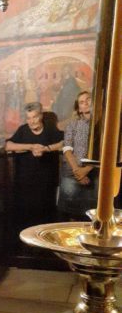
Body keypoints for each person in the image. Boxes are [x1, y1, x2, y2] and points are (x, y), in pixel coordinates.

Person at [6, 101, 63, 234]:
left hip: (46, 182)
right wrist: (31, 146)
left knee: (45, 217)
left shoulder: (50, 129)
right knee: (25, 217)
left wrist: (46, 149)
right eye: (29, 118)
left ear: (41, 116)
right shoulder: (23, 130)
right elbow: (8, 145)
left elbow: (64, 142)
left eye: (35, 117)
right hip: (25, 182)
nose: (31, 121)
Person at [57, 91, 98, 220]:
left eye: (88, 99)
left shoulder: (104, 125)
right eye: (81, 102)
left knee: (92, 213)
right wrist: (77, 171)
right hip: (72, 173)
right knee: (70, 212)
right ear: (79, 108)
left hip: (95, 173)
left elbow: (105, 151)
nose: (86, 103)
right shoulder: (72, 125)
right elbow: (67, 148)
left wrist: (86, 170)